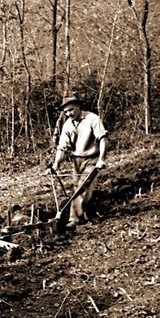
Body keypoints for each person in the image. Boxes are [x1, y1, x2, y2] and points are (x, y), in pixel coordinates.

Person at [48, 95, 108, 228]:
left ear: (78, 106)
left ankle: (74, 219)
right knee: (80, 188)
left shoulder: (92, 118)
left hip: (92, 159)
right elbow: (62, 147)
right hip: (77, 161)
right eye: (66, 112)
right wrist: (57, 163)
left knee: (82, 187)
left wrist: (102, 159)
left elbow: (102, 139)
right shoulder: (68, 124)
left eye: (71, 110)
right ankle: (86, 213)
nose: (69, 113)